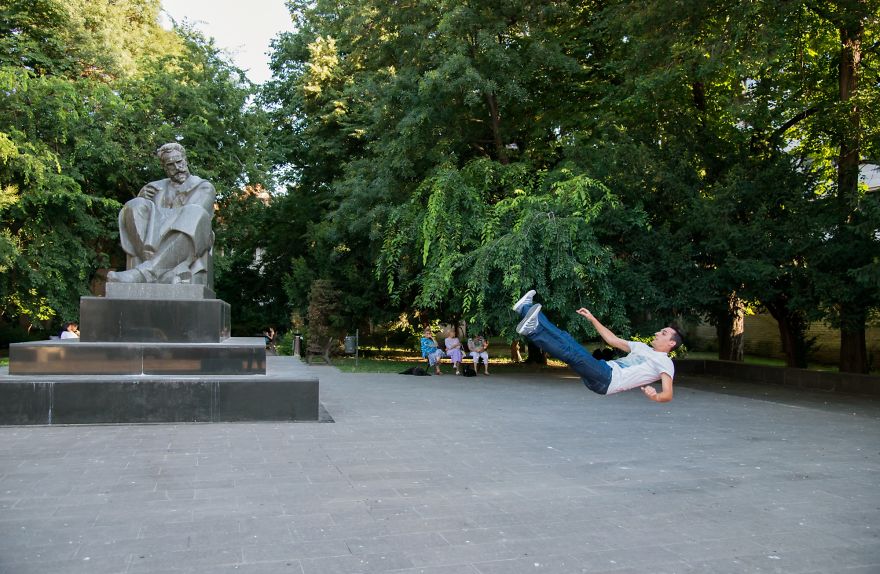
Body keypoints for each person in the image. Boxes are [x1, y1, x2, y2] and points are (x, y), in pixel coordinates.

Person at [513, 290, 682, 402]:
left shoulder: (665, 362)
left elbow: (668, 393)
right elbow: (613, 340)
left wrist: (656, 397)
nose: (658, 333)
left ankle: (533, 328)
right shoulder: (642, 347)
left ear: (671, 343)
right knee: (568, 345)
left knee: (572, 351)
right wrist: (592, 319)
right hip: (603, 371)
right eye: (661, 331)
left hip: (607, 379)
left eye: (664, 333)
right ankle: (525, 309)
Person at [107, 143, 216, 285]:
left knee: (194, 212)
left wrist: (156, 215)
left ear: (186, 160)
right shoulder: (155, 188)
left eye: (179, 162)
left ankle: (145, 273)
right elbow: (137, 216)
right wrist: (141, 198)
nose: (177, 168)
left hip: (191, 240)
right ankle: (164, 274)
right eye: (171, 165)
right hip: (154, 242)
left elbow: (192, 220)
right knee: (134, 205)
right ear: (164, 168)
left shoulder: (204, 187)